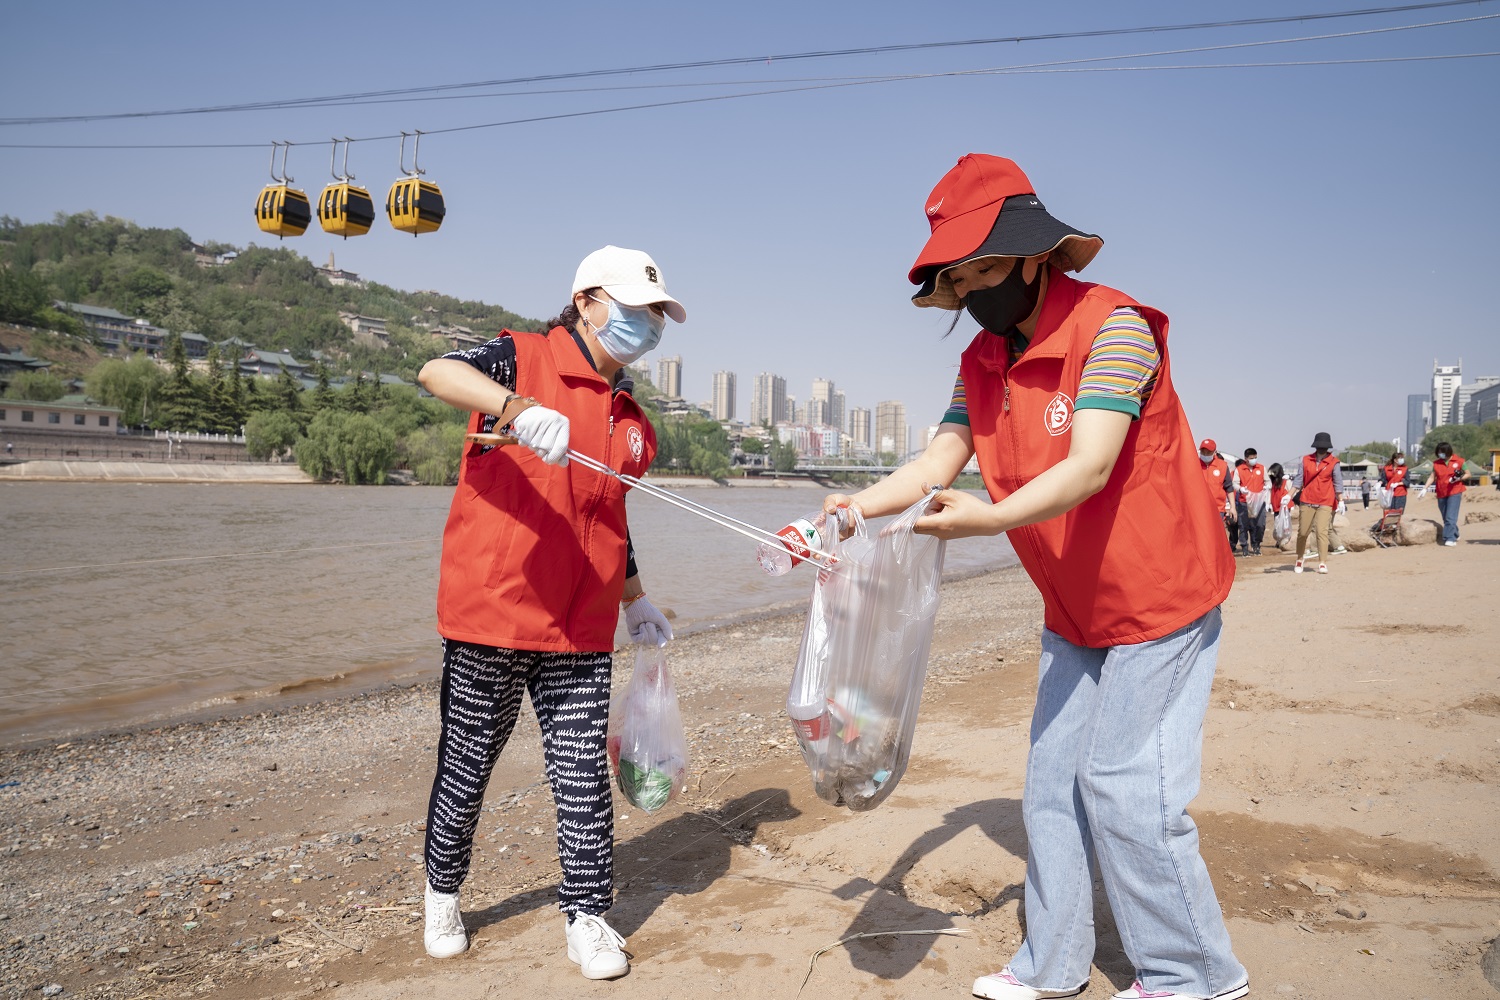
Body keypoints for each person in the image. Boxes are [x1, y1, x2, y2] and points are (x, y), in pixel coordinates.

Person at [823, 154, 1246, 1000]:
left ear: (1032, 254)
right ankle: (1053, 963)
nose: (974, 287)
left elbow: (1089, 465)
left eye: (984, 266)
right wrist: (847, 512)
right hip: (1074, 607)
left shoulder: (1114, 326)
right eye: (960, 275)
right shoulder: (981, 360)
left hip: (1159, 596)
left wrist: (981, 518)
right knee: (1051, 788)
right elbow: (939, 459)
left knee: (1127, 788)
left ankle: (1195, 974)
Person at [415, 245, 685, 979]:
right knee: (467, 763)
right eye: (636, 309)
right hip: (492, 616)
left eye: (657, 313)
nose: (648, 324)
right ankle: (442, 893)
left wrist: (635, 601)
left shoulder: (633, 424)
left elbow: (613, 518)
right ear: (589, 301)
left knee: (579, 775)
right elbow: (437, 371)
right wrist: (514, 409)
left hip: (581, 626)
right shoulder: (518, 357)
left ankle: (589, 916)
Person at [1290, 432, 1342, 574]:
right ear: (1316, 446)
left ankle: (1322, 562)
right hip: (1307, 499)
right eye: (1320, 446)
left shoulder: (1334, 463)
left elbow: (1338, 483)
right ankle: (1300, 558)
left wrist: (1341, 500)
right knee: (1303, 532)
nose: (1322, 449)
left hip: (1326, 500)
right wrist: (1288, 495)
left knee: (1321, 532)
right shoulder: (1306, 460)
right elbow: (1299, 480)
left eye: (1324, 447)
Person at [1421, 441, 1468, 545]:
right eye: (1438, 452)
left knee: (1451, 516)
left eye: (1442, 452)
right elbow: (1432, 477)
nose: (1440, 454)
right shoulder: (1436, 463)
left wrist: (1458, 478)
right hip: (1441, 492)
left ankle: (1450, 538)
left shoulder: (1460, 461)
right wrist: (1425, 488)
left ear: (1448, 451)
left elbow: (1468, 474)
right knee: (1445, 516)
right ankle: (1455, 533)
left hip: (1455, 491)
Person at [1199, 439, 1234, 551]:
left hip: (1217, 508)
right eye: (1203, 452)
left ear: (1215, 452)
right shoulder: (1193, 463)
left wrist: (1232, 507)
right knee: (1200, 536)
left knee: (1215, 536)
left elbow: (1229, 488)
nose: (1205, 455)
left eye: (1208, 452)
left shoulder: (1222, 466)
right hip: (1198, 508)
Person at [1234, 448, 1269, 556]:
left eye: (1255, 458)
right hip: (1244, 502)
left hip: (1258, 502)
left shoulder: (1262, 468)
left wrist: (1268, 485)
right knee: (1243, 525)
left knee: (1260, 525)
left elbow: (1267, 480)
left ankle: (1256, 544)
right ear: (1246, 459)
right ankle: (1244, 547)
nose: (1254, 460)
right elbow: (1234, 483)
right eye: (1251, 458)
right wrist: (1240, 489)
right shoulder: (1239, 469)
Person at [1268, 462, 1293, 546]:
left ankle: (1285, 539)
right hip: (1276, 507)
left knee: (1285, 523)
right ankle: (1279, 539)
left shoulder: (1286, 482)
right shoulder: (1273, 483)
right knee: (1277, 524)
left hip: (1285, 508)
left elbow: (1292, 492)